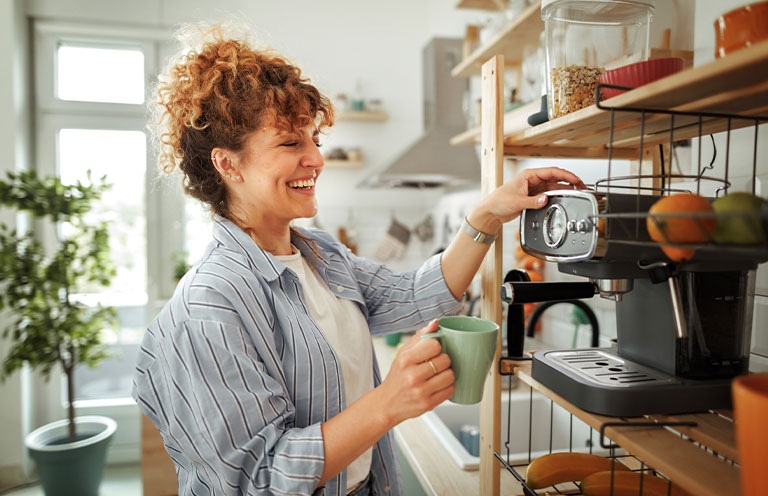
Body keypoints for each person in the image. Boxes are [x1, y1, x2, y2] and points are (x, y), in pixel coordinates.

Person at [132, 24, 585, 496]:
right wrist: (388, 403)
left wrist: (488, 213)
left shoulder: (319, 254)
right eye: (291, 143)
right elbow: (259, 480)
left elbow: (417, 295)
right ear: (229, 164)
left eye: (315, 140)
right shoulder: (211, 304)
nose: (315, 159)